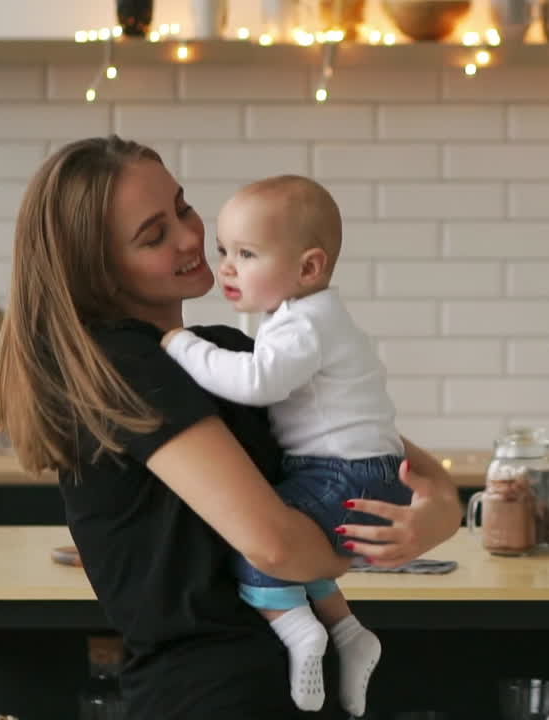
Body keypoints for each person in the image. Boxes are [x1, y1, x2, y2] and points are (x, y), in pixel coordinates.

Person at [0, 136, 461, 719]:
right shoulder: (123, 366)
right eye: (153, 235)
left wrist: (440, 508)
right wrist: (359, 553)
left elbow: (384, 452)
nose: (192, 238)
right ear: (100, 271)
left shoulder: (228, 357)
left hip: (278, 689)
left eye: (183, 208)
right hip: (210, 696)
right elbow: (276, 547)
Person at [158, 175, 404, 715]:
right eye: (224, 250)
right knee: (298, 541)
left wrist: (183, 347)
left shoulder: (303, 325)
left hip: (343, 475)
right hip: (365, 471)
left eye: (246, 254)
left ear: (309, 268)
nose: (226, 265)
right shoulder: (308, 316)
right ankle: (347, 630)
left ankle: (299, 633)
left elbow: (256, 382)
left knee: (259, 543)